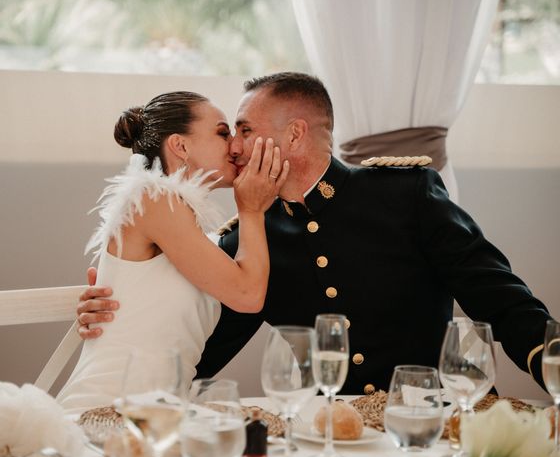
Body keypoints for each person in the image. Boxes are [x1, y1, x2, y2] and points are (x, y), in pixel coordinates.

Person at [76, 73, 552, 395]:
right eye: (228, 133)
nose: (235, 147)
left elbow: (500, 299)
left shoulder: (405, 194)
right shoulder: (250, 236)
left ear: (295, 135)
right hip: (331, 442)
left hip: (434, 420)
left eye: (242, 130)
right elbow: (200, 340)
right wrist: (121, 311)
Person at [56, 91, 288, 413]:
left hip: (161, 416)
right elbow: (248, 295)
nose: (235, 146)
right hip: (107, 412)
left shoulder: (186, 224)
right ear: (180, 146)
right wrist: (251, 210)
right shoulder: (154, 199)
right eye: (222, 133)